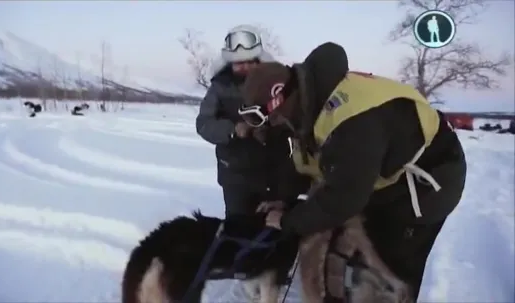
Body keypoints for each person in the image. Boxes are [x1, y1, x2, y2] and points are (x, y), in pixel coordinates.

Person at [238, 42, 467, 301]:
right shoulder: (307, 104)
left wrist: (286, 220)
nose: (273, 124)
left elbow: (342, 199)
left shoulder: (352, 123)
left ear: (280, 98)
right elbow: (306, 161)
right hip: (373, 176)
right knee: (341, 245)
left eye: (268, 117)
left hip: (425, 185)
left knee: (387, 272)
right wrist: (284, 197)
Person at [195, 24, 308, 219]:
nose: (245, 67)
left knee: (275, 227)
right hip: (236, 175)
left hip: (275, 170)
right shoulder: (220, 86)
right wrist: (234, 129)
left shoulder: (276, 82)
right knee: (238, 228)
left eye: (250, 61)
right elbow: (204, 124)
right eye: (238, 63)